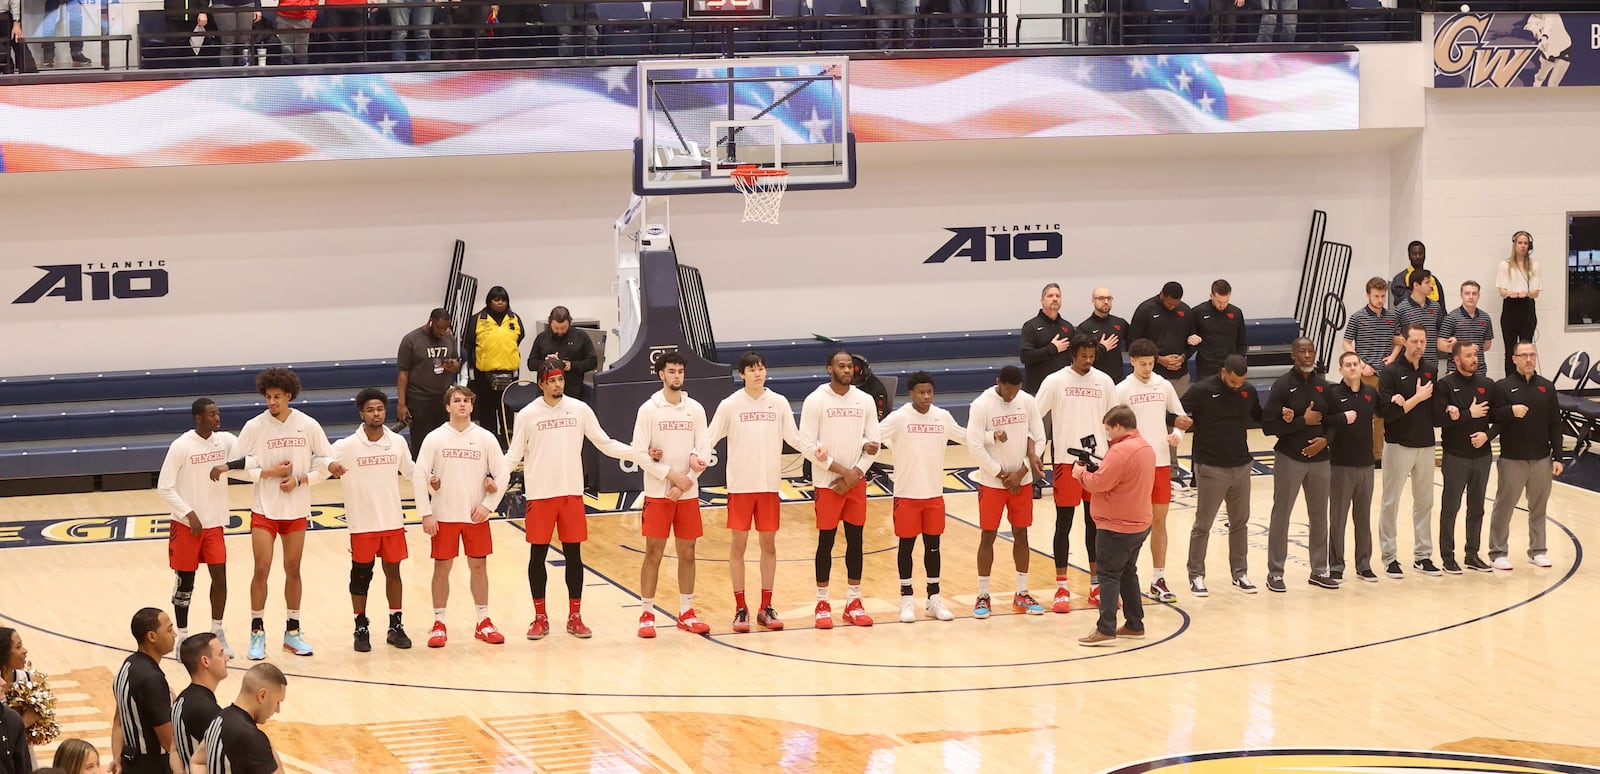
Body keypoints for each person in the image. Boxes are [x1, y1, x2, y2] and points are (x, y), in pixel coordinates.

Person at [506, 361, 645, 640]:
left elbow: (604, 443)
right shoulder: (527, 415)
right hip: (541, 495)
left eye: (560, 379)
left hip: (571, 494)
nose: (558, 384)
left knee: (574, 556)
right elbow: (512, 456)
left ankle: (575, 616)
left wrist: (638, 454)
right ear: (541, 384)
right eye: (552, 380)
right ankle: (540, 618)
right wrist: (489, 484)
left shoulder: (580, 409)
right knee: (537, 556)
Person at [706, 352, 822, 633]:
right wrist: (687, 468)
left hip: (769, 487)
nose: (758, 373)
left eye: (761, 369)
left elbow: (795, 439)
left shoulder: (778, 402)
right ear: (742, 374)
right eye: (752, 369)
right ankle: (740, 608)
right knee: (738, 548)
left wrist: (818, 451)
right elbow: (707, 440)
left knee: (769, 547)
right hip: (740, 487)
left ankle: (765, 607)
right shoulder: (730, 405)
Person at [231, 367, 334, 661]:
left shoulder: (308, 425)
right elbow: (234, 467)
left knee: (293, 569)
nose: (271, 401)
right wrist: (269, 473)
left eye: (277, 396)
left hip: (296, 510)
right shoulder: (254, 426)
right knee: (261, 568)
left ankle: (292, 632)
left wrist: (302, 479)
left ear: (289, 395)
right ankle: (257, 632)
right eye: (268, 396)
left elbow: (327, 462)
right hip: (264, 509)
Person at [414, 386, 510, 647]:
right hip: (443, 515)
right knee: (441, 568)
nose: (462, 405)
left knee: (479, 567)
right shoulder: (435, 438)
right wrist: (425, 513)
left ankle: (483, 621)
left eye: (466, 400)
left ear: (472, 405)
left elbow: (503, 474)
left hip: (475, 516)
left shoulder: (485, 438)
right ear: (447, 407)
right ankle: (439, 623)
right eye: (456, 401)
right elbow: (419, 475)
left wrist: (488, 505)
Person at [628, 352, 711, 638]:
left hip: (686, 495)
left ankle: (686, 612)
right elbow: (639, 452)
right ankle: (647, 613)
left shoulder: (696, 409)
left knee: (688, 553)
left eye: (680, 371)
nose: (676, 376)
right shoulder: (649, 409)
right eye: (671, 371)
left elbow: (704, 451)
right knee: (654, 552)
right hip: (658, 494)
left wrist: (685, 482)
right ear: (661, 374)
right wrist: (670, 476)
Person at [328, 388, 416, 652]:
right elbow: (322, 465)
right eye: (370, 409)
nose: (376, 413)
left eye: (379, 409)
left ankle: (395, 625)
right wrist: (302, 479)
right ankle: (361, 626)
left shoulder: (397, 442)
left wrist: (435, 481)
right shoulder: (345, 446)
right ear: (361, 413)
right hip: (362, 524)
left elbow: (411, 471)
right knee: (361, 576)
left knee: (394, 572)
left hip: (391, 521)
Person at [801, 351, 882, 629]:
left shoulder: (865, 400)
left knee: (856, 540)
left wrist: (855, 473)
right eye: (841, 365)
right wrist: (842, 471)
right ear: (829, 369)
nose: (847, 370)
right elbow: (807, 445)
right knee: (826, 542)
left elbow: (875, 443)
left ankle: (853, 601)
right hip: (828, 484)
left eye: (850, 366)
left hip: (855, 483)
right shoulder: (816, 400)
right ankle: (822, 603)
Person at [1036, 335, 1118, 612]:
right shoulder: (1055, 381)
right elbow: (1035, 416)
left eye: (1092, 356)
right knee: (1064, 523)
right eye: (1083, 356)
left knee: (1096, 525)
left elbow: (1116, 421)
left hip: (1099, 462)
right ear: (1072, 354)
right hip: (1065, 463)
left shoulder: (1104, 382)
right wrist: (1035, 450)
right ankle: (1062, 586)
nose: (1088, 360)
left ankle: (1097, 587)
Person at [878, 371, 966, 623]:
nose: (926, 396)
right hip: (906, 494)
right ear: (912, 393)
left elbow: (964, 436)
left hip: (934, 494)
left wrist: (992, 437)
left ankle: (933, 599)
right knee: (906, 547)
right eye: (921, 392)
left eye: (930, 392)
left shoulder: (943, 417)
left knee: (933, 548)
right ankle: (906, 600)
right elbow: (872, 436)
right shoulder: (899, 418)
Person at [156, 399, 237, 656]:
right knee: (185, 584)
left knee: (220, 579)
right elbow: (164, 486)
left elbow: (246, 460)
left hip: (214, 525)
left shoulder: (225, 441)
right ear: (198, 418)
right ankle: (182, 637)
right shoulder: (181, 446)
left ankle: (217, 633)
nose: (217, 417)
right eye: (212, 414)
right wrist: (188, 513)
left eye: (218, 412)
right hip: (186, 526)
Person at [965, 366, 1046, 617]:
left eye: (1016, 392)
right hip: (992, 482)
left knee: (1021, 534)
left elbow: (1040, 439)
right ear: (998, 383)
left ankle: (1021, 593)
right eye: (1008, 392)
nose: (1012, 396)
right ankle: (983, 595)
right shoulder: (981, 405)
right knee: (987, 535)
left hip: (1021, 481)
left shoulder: (1028, 401)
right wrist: (1001, 474)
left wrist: (1021, 473)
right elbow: (974, 445)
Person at [1115, 339, 1191, 603]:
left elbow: (1181, 417)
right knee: (1131, 524)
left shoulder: (1164, 385)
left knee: (1159, 522)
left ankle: (1158, 578)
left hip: (1159, 465)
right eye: (1142, 363)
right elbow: (1110, 427)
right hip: (1133, 467)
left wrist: (1178, 435)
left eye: (1150, 363)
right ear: (1132, 361)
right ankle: (1124, 576)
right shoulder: (1121, 390)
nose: (1147, 368)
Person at [1074, 405, 1156, 646]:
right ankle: (1134, 623)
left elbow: (1099, 483)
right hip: (1140, 522)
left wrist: (1079, 474)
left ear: (1119, 426)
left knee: (1108, 575)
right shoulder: (1146, 447)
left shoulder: (1120, 451)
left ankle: (1106, 628)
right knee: (1128, 572)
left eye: (1109, 429)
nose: (1108, 435)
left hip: (1116, 526)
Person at [1183, 354, 1263, 596]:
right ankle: (1196, 575)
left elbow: (1259, 417)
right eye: (1233, 382)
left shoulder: (1247, 391)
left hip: (1241, 465)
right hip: (1211, 466)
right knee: (1203, 525)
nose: (1237, 386)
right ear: (1224, 372)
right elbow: (1177, 411)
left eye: (1241, 382)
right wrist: (1181, 424)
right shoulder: (1201, 390)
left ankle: (1240, 573)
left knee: (1240, 523)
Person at [1262, 337, 1335, 592]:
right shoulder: (1282, 386)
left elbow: (1334, 420)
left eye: (1311, 351)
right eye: (1302, 351)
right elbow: (1268, 427)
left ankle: (1319, 570)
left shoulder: (1323, 386)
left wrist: (1324, 440)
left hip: (1321, 461)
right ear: (1293, 355)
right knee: (1282, 515)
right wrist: (1303, 421)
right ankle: (1275, 573)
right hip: (1289, 459)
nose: (1307, 355)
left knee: (1319, 516)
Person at [1487, 342, 1565, 570]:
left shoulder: (1546, 387)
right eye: (1524, 355)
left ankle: (1538, 550)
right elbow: (1493, 416)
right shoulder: (1503, 387)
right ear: (1514, 359)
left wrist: (1558, 457)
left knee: (1539, 507)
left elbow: (1555, 424)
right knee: (1504, 506)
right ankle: (1498, 552)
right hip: (1513, 458)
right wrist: (1511, 411)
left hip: (1542, 458)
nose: (1529, 359)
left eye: (1532, 355)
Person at [1377, 323, 1441, 579]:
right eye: (1414, 341)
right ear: (1404, 341)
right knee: (1390, 502)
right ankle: (1389, 557)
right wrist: (1415, 399)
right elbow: (1386, 413)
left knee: (1425, 502)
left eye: (1423, 342)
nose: (1419, 347)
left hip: (1426, 445)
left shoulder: (1431, 370)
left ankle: (1423, 555)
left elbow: (1434, 407)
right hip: (1397, 445)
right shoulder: (1390, 373)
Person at [1434, 341, 1498, 575]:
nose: (1474, 359)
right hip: (1455, 456)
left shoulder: (1487, 385)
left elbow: (1499, 417)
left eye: (1476, 355)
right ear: (1457, 359)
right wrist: (1465, 414)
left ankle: (1472, 554)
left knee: (1477, 507)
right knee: (1451, 507)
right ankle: (1447, 556)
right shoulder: (1445, 385)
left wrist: (1487, 435)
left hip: (1482, 456)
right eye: (1469, 355)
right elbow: (1437, 419)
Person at [1325, 351, 1380, 583]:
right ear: (1340, 369)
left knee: (1363, 517)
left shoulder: (1370, 393)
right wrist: (1340, 417)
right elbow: (1323, 420)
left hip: (1366, 464)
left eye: (1355, 364)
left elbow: (1383, 413)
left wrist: (1399, 400)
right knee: (1338, 518)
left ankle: (1364, 564)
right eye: (1347, 365)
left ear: (1360, 367)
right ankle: (1336, 565)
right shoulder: (1333, 394)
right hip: (1340, 465)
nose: (1352, 368)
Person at [111, 608, 179, 774]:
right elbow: (168, 741)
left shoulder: (126, 667)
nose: (175, 634)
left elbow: (119, 722)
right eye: (169, 629)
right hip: (154, 766)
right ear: (152, 636)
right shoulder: (151, 679)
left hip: (131, 762)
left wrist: (117, 759)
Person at [1342, 277, 1402, 463]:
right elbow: (1346, 342)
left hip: (1385, 374)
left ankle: (1377, 456)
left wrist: (1392, 357)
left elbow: (1398, 340)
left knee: (1381, 417)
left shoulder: (1392, 317)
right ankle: (1359, 452)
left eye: (1383, 296)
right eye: (1376, 296)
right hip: (1366, 372)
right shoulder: (1357, 317)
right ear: (1368, 295)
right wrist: (1359, 363)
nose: (1380, 300)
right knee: (1363, 415)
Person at [462, 286, 525, 447]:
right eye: (496, 300)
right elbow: (468, 343)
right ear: (489, 301)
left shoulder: (514, 319)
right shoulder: (477, 319)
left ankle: (508, 447)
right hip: (484, 376)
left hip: (510, 375)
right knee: (487, 414)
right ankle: (490, 447)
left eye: (503, 300)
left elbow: (520, 337)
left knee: (507, 414)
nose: (500, 303)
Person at [398, 308, 461, 459]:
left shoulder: (448, 338)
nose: (442, 332)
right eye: (439, 328)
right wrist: (402, 403)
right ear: (430, 321)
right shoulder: (411, 339)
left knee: (445, 440)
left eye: (445, 328)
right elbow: (403, 373)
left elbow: (457, 362)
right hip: (419, 399)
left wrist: (454, 366)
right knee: (421, 443)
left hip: (443, 398)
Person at [202, 664, 286, 774]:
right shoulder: (251, 737)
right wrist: (269, 747)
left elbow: (197, 761)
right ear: (262, 695)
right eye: (277, 702)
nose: (277, 710)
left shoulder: (219, 718)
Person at [171, 634, 228, 774]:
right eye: (221, 654)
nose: (227, 658)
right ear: (205, 661)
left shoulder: (181, 699)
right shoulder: (206, 710)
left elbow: (173, 749)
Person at [1130, 281, 1196, 397]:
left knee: (1177, 413)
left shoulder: (1185, 310)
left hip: (1180, 376)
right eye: (1169, 304)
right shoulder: (1145, 310)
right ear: (1162, 295)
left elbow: (1193, 340)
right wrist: (1159, 359)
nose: (1172, 307)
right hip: (1152, 374)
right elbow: (1133, 344)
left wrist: (1183, 357)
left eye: (1176, 304)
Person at [529, 306, 598, 402]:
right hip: (546, 393)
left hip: (574, 392)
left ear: (569, 323)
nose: (560, 331)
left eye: (563, 328)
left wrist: (570, 365)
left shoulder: (581, 336)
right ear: (550, 324)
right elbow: (531, 363)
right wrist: (547, 363)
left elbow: (593, 361)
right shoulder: (542, 338)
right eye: (556, 328)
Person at [1495, 231, 1540, 378]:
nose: (1522, 246)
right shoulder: (1504, 265)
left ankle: (1527, 378)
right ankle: (1510, 381)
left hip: (1526, 307)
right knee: (1510, 349)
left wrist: (1525, 293)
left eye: (1525, 243)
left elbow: (1535, 292)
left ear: (1529, 246)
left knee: (1526, 348)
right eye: (1520, 243)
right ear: (1514, 244)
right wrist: (1510, 293)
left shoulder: (1534, 265)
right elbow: (1501, 290)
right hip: (1510, 307)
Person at [1019, 283, 1073, 399]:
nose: (1054, 299)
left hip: (1063, 391)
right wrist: (1052, 348)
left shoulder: (1068, 327)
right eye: (1050, 296)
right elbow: (1025, 356)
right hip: (1037, 390)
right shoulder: (1031, 326)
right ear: (1042, 301)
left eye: (1058, 296)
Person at [1191, 279, 1247, 381]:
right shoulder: (1198, 312)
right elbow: (1190, 336)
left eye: (1226, 301)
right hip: (1206, 367)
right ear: (1211, 296)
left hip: (1230, 367)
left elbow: (1242, 342)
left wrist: (1238, 362)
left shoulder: (1236, 313)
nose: (1222, 305)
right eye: (1219, 301)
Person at [1438, 280, 1495, 374]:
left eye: (1474, 293)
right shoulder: (1451, 317)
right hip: (1456, 370)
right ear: (1461, 295)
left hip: (1479, 370)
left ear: (1479, 296)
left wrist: (1475, 351)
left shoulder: (1485, 318)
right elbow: (1440, 345)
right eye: (1467, 293)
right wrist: (1463, 349)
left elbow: (1487, 344)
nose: (1471, 297)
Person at [0, 628, 36, 774]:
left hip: (21, 751)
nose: (25, 650)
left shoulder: (25, 679)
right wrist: (22, 723)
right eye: (18, 646)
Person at [1077, 287, 1129, 382]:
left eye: (1109, 298)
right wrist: (1102, 348)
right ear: (1093, 301)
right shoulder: (1084, 328)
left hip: (1117, 380)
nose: (1106, 301)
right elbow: (1078, 358)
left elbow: (1134, 343)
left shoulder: (1120, 323)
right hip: (1093, 380)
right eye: (1101, 298)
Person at [1395, 270, 1446, 357]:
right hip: (1409, 363)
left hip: (1431, 362)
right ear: (1416, 285)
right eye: (1427, 282)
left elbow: (1440, 332)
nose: (1431, 286)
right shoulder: (1401, 309)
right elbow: (1394, 337)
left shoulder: (1436, 307)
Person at [1390, 240, 1445, 309]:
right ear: (1409, 256)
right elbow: (1401, 304)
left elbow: (1442, 307)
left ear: (1425, 255)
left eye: (1420, 253)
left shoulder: (1433, 280)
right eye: (1414, 254)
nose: (1418, 256)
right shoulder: (1400, 279)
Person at [274, 0, 317, 64]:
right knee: (286, 50)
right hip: (284, 16)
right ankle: (285, 72)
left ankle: (303, 72)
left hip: (303, 18)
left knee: (302, 51)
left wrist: (311, 16)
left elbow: (314, 1)